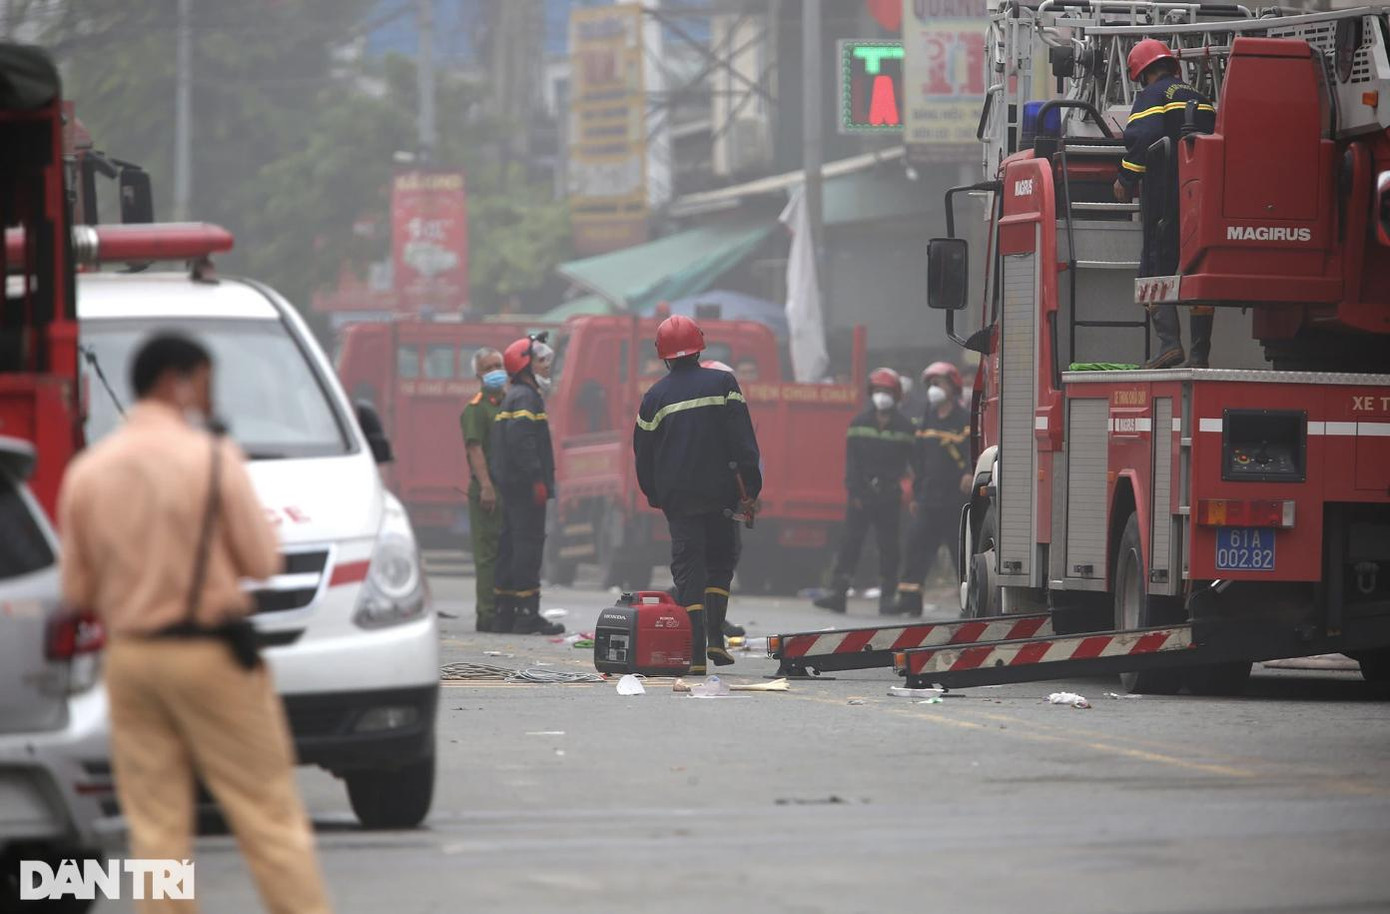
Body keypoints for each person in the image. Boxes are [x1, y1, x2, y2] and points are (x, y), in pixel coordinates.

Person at [57, 333, 332, 914]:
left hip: (131, 659)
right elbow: (262, 561)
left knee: (156, 824)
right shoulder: (211, 458)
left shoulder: (90, 470)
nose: (209, 397)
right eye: (205, 381)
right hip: (210, 656)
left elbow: (77, 590)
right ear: (176, 380)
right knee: (266, 813)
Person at [634, 315, 762, 674]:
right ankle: (716, 640)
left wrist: (654, 494)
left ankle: (694, 657)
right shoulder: (724, 382)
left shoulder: (654, 396)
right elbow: (743, 441)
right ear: (700, 346)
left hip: (679, 498)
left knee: (689, 570)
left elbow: (643, 454)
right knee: (720, 563)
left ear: (664, 355)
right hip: (722, 494)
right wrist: (750, 489)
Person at [1113, 38, 1217, 369]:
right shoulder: (1202, 98)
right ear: (1170, 66)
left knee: (1154, 267)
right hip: (1203, 198)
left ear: (1142, 74)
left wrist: (1126, 178)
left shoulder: (1151, 96)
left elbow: (1144, 136)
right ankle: (1200, 354)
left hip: (1165, 195)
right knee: (1199, 269)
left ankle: (1169, 344)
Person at [813, 368, 915, 615]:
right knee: (850, 544)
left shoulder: (906, 427)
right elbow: (852, 463)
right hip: (861, 495)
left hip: (890, 495)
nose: (882, 396)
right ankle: (838, 593)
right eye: (879, 391)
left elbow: (914, 463)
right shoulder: (859, 423)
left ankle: (888, 597)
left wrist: (906, 491)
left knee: (889, 547)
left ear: (896, 395)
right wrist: (855, 493)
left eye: (887, 392)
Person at [490, 333, 564, 636]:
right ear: (524, 366)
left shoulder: (516, 395)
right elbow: (522, 442)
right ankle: (526, 614)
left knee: (510, 545)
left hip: (513, 487)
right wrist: (537, 478)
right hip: (524, 488)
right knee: (527, 547)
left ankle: (505, 614)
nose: (546, 366)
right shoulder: (526, 397)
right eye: (540, 360)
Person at [891, 361, 972, 617]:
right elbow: (919, 461)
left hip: (954, 499)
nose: (934, 389)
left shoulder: (964, 420)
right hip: (928, 497)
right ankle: (909, 600)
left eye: (939, 384)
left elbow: (973, 449)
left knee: (960, 553)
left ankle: (969, 604)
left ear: (953, 387)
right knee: (916, 546)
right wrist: (916, 493)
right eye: (930, 385)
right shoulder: (926, 420)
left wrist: (970, 472)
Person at [460, 346, 507, 631]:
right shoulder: (476, 408)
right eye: (488, 368)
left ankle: (503, 610)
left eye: (498, 365)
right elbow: (474, 449)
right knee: (487, 554)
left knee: (506, 551)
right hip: (487, 489)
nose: (495, 372)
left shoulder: (510, 402)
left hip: (509, 489)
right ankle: (487, 615)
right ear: (478, 374)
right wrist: (487, 486)